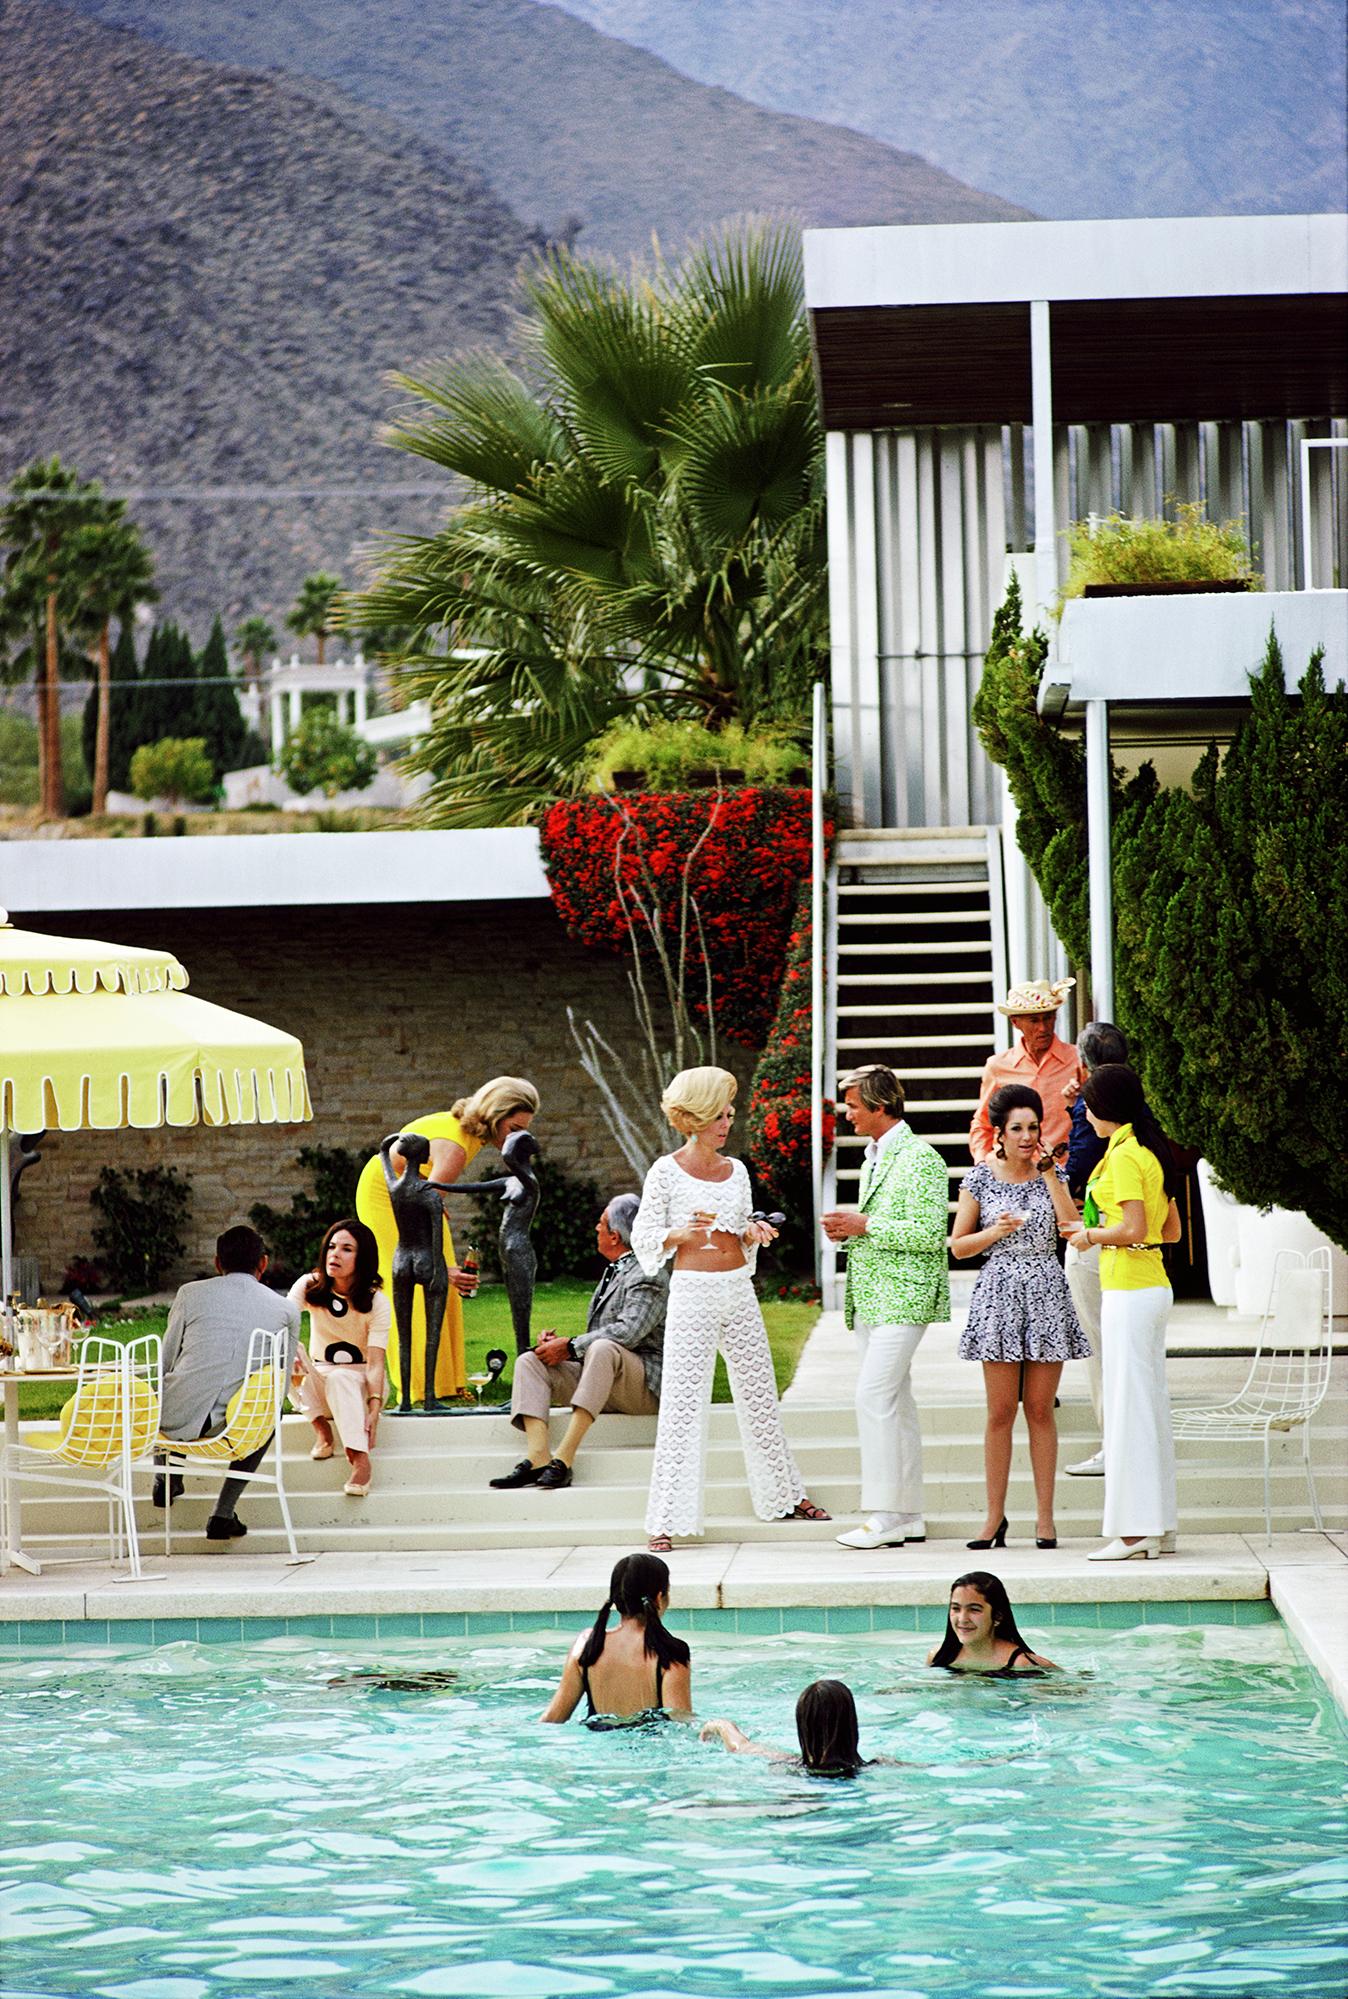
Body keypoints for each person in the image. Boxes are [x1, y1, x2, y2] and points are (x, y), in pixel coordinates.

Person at [632, 1067, 828, 1553]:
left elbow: (740, 1229)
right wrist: (680, 1232)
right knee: (682, 1404)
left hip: (738, 1288)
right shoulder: (665, 1171)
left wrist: (752, 1234)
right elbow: (644, 1237)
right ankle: (665, 1518)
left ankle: (787, 1496)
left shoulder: (736, 1170)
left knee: (760, 1396)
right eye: (720, 1114)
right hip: (693, 1291)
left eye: (730, 1114)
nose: (728, 1123)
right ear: (696, 1117)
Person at [951, 1083, 1090, 1550]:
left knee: (1039, 1410)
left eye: (1034, 1126)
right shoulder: (980, 1178)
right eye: (1018, 1129)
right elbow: (958, 1245)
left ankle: (1045, 1520)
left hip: (1047, 1292)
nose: (1028, 1136)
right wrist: (995, 1230)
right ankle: (994, 1519)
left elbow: (1072, 1230)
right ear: (1000, 1133)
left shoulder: (1053, 1172)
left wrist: (1051, 1175)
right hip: (999, 1294)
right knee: (999, 1412)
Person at [822, 1065, 950, 1551]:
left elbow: (925, 1236)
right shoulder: (874, 1154)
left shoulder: (922, 1159)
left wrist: (864, 1225)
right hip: (875, 1297)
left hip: (905, 1298)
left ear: (878, 1107)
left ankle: (884, 1515)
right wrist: (851, 1229)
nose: (847, 1114)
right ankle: (909, 1513)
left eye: (853, 1106)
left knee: (872, 1398)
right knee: (896, 1404)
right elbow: (879, 1226)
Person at [355, 1077, 539, 1404]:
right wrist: (437, 1267)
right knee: (414, 1281)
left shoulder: (469, 1136)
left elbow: (430, 1194)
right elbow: (416, 1206)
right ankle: (416, 1390)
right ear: (496, 1116)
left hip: (415, 1191)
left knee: (447, 1283)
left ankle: (447, 1383)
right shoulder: (456, 1148)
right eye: (513, 1128)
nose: (517, 1139)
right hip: (386, 1196)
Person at [1064, 1063, 1182, 1561]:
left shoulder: (1129, 1157)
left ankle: (1135, 1532)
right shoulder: (1142, 1151)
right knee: (1145, 1406)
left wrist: (1092, 1235)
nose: (1084, 1113)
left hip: (1131, 1290)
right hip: (1144, 1286)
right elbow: (1169, 1230)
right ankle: (1158, 1527)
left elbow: (1134, 1227)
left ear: (1106, 1106)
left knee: (1130, 1409)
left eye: (1088, 1104)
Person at [490, 1194, 668, 1491]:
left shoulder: (649, 1273)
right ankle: (538, 1457)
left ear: (614, 1235)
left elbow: (628, 1333)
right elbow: (605, 1334)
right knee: (531, 1361)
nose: (596, 1229)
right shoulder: (615, 1271)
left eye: (600, 1224)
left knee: (602, 1347)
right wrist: (558, 1349)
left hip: (643, 1387)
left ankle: (565, 1458)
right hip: (605, 1379)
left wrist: (571, 1346)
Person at [155, 1223, 300, 1542]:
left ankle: (166, 1475)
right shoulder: (286, 1309)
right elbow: (281, 1384)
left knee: (167, 1383)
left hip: (172, 1421)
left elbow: (164, 1362)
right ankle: (223, 1513)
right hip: (238, 1426)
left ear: (217, 1263)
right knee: (270, 1412)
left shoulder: (189, 1294)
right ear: (263, 1263)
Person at [1062, 1021, 1131, 1478]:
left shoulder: (1097, 1109)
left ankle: (1115, 1444)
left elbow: (1080, 1164)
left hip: (1099, 1238)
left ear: (1085, 1065)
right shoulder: (1137, 1101)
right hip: (1139, 1256)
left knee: (1103, 1350)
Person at [288, 1217, 390, 1499]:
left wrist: (374, 1407)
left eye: (347, 1249)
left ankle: (360, 1459)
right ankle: (321, 1428)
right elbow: (281, 1323)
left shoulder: (376, 1301)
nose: (335, 1254)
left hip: (360, 1384)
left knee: (342, 1377)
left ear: (363, 1258)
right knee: (281, 1350)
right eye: (332, 1246)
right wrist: (290, 1354)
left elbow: (376, 1363)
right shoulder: (309, 1285)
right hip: (319, 1381)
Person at [540, 1551, 691, 1725]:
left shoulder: (586, 1645)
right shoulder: (671, 1652)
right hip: (649, 1746)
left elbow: (552, 1719)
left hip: (599, 1747)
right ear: (659, 1597)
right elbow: (682, 1725)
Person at [969, 979, 1082, 1164]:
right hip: (1011, 1173)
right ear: (1015, 1022)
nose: (1043, 1028)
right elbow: (982, 1123)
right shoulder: (997, 1066)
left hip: (1063, 1172)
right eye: (1034, 1020)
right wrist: (982, 1165)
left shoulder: (1077, 1060)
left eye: (1048, 1018)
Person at [700, 1679, 874, 1775]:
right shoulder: (883, 1765)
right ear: (851, 1723)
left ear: (803, 1726)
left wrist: (718, 1725)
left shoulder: (787, 1764)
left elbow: (740, 1746)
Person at [927, 1571, 1058, 1673]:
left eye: (974, 1609)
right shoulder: (939, 1657)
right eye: (956, 1608)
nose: (962, 1619)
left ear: (997, 1617)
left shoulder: (1022, 1664)